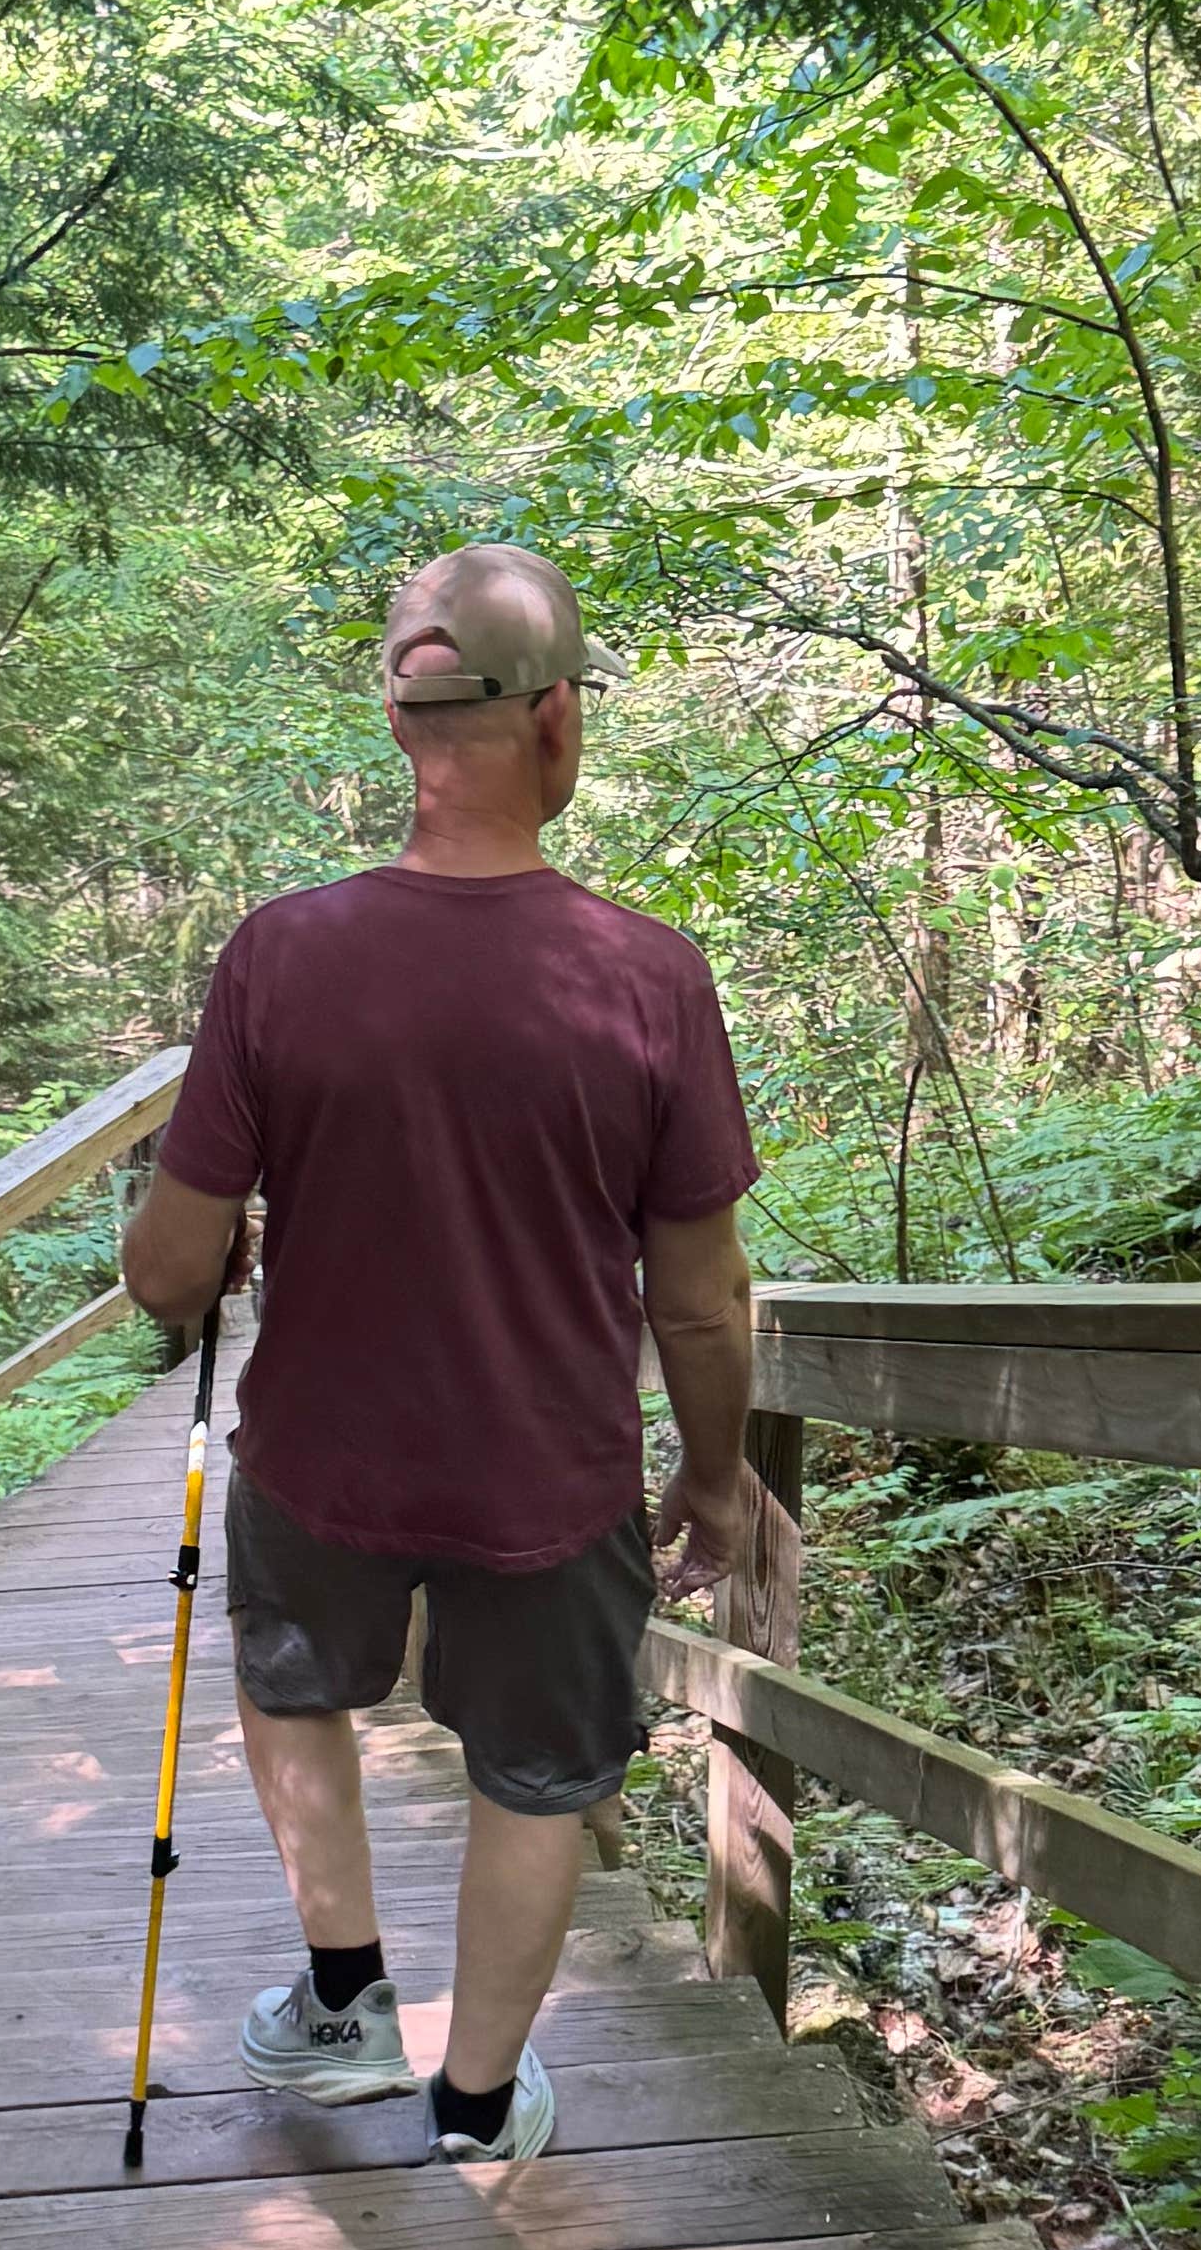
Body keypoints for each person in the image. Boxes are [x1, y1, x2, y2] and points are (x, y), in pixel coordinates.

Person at [119, 538, 794, 2160]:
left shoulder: (280, 954)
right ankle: (479, 2103)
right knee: (540, 1769)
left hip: (319, 1460)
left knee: (295, 1686)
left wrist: (234, 1243)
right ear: (560, 723)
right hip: (551, 1480)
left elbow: (164, 1272)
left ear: (402, 726)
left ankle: (342, 2000)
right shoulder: (648, 978)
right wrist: (716, 1480)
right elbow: (700, 1298)